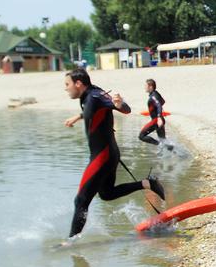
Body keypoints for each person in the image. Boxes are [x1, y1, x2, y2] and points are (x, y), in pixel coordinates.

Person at [62, 69, 165, 238]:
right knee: (107, 194)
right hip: (108, 154)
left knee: (80, 200)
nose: (66, 88)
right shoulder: (88, 97)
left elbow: (124, 108)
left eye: (67, 84)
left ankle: (71, 242)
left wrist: (120, 105)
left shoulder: (95, 96)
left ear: (78, 83)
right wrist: (78, 117)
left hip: (103, 157)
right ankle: (148, 184)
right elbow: (92, 109)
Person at [139, 78, 167, 145]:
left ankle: (159, 144)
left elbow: (159, 105)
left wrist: (159, 117)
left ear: (150, 87)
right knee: (164, 141)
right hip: (159, 120)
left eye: (146, 86)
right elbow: (163, 101)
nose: (144, 88)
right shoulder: (156, 93)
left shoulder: (153, 96)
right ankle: (176, 152)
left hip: (156, 120)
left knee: (141, 136)